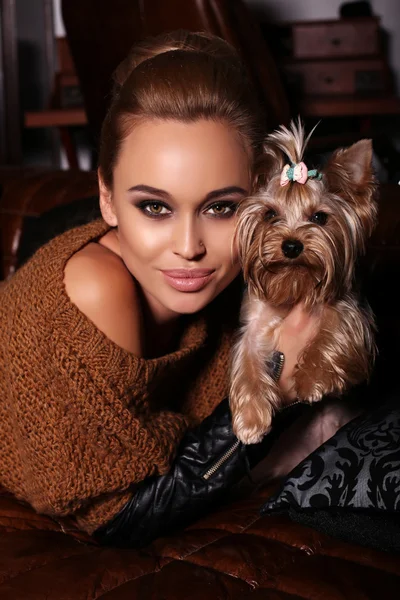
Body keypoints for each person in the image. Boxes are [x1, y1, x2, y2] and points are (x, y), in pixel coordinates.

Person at [0, 30, 318, 547]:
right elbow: (117, 516)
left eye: (221, 207)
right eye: (155, 206)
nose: (189, 246)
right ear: (106, 196)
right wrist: (272, 382)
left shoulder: (245, 268)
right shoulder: (94, 290)